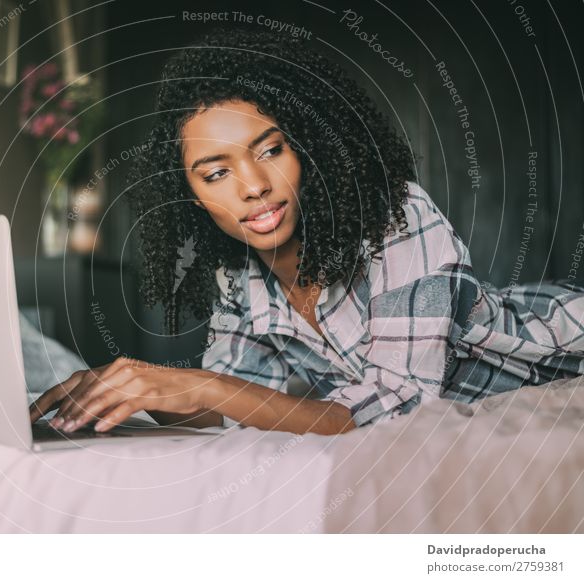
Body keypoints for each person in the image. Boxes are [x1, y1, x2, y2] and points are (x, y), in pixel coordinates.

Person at [29, 27, 584, 436]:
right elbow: (236, 396)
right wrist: (138, 388)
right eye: (216, 172)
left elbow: (398, 408)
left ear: (309, 147)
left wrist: (197, 385)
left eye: (270, 150)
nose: (252, 185)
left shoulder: (394, 216)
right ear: (190, 196)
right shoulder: (239, 275)